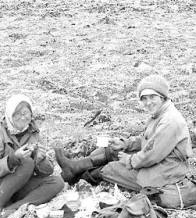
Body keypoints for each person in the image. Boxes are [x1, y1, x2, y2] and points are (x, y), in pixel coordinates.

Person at [55, 74, 196, 208]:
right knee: (112, 150)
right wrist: (126, 144)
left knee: (111, 169)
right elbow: (147, 139)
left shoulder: (170, 121)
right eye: (144, 98)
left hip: (164, 172)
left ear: (163, 97)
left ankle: (75, 178)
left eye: (153, 97)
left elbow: (151, 155)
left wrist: (129, 160)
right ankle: (74, 167)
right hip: (158, 162)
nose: (148, 102)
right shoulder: (160, 113)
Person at [0, 94, 65, 214]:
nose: (22, 118)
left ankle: (14, 208)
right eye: (17, 114)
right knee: (26, 162)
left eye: (26, 113)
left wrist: (41, 159)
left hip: (16, 181)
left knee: (57, 182)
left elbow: (46, 172)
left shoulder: (33, 132)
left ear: (31, 114)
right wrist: (14, 158)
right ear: (10, 114)